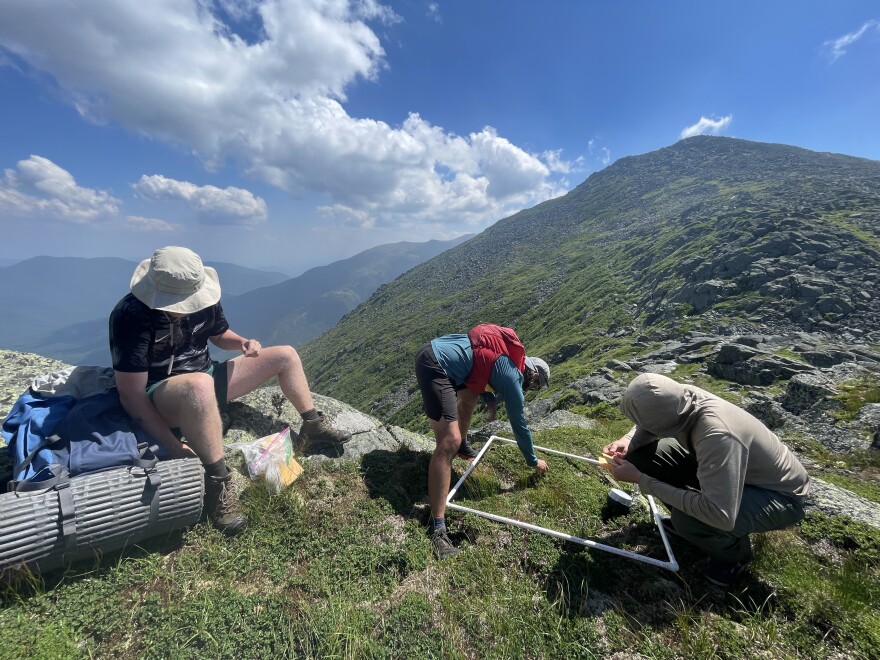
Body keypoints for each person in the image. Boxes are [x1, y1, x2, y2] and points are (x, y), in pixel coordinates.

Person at [109, 246, 351, 535]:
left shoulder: (203, 297)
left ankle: (312, 424)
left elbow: (218, 334)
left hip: (206, 377)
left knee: (285, 355)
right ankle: (218, 482)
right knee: (200, 385)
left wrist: (242, 343)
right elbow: (131, 394)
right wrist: (172, 446)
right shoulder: (131, 316)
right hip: (161, 393)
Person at [603, 373, 810, 587]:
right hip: (732, 468)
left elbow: (721, 515)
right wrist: (628, 441)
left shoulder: (718, 436)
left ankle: (733, 556)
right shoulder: (677, 397)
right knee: (642, 457)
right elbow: (649, 422)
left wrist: (642, 480)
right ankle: (692, 525)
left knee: (690, 520)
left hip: (779, 495)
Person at [415, 323, 551, 558]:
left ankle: (463, 445)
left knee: (470, 398)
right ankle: (438, 528)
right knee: (449, 441)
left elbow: (481, 367)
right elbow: (519, 423)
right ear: (532, 373)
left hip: (435, 352)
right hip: (435, 364)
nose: (533, 388)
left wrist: (490, 398)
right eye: (537, 384)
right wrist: (533, 461)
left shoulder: (506, 360)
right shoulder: (513, 377)